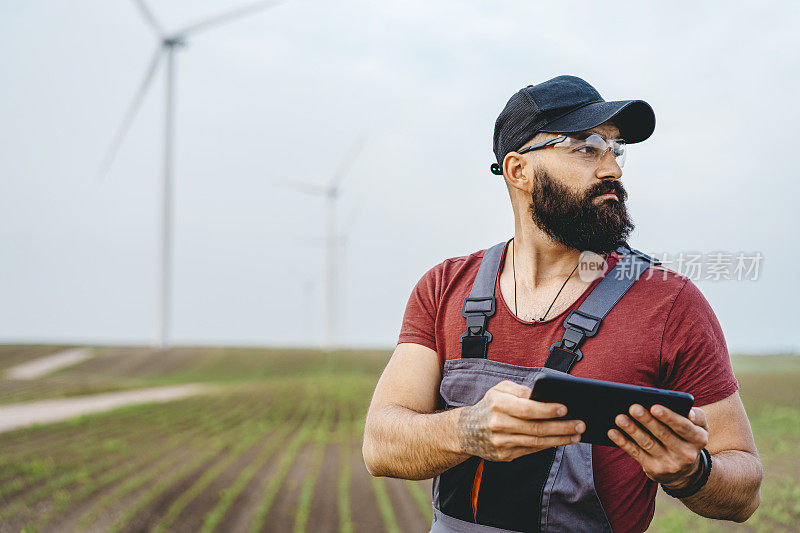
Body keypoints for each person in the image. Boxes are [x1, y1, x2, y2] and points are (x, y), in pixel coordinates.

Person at [361, 75, 763, 532]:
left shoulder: (670, 304)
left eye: (615, 149)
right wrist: (469, 429)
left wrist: (694, 473)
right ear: (518, 170)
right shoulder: (445, 287)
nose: (613, 168)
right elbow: (380, 444)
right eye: (586, 147)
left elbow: (745, 491)